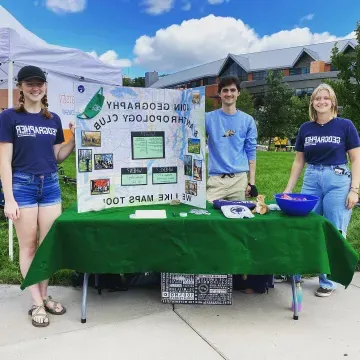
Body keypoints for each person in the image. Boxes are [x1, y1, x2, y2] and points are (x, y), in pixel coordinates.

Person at [0, 65, 76, 327]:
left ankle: (44, 296)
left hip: (51, 186)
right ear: (20, 86)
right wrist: (8, 198)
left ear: (45, 87)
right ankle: (35, 302)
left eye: (39, 83)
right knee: (29, 246)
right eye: (29, 83)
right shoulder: (9, 117)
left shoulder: (52, 119)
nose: (35, 88)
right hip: (23, 186)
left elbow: (57, 156)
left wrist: (73, 140)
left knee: (47, 245)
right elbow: (4, 161)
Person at [284, 83, 360, 297]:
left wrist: (355, 189)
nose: (322, 101)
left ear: (333, 101)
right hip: (311, 179)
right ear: (312, 103)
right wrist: (289, 189)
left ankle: (328, 280)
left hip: (337, 179)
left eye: (326, 98)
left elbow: (356, 158)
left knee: (333, 229)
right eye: (318, 98)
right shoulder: (305, 128)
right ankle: (295, 272)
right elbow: (299, 161)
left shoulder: (345, 126)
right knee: (305, 225)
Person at [206, 75, 258, 202]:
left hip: (239, 180)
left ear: (238, 93)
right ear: (219, 93)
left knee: (239, 218)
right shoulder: (208, 118)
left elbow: (251, 152)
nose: (229, 94)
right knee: (208, 218)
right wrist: (181, 98)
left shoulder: (248, 120)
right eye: (225, 90)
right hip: (216, 180)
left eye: (232, 90)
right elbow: (187, 125)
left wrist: (251, 183)